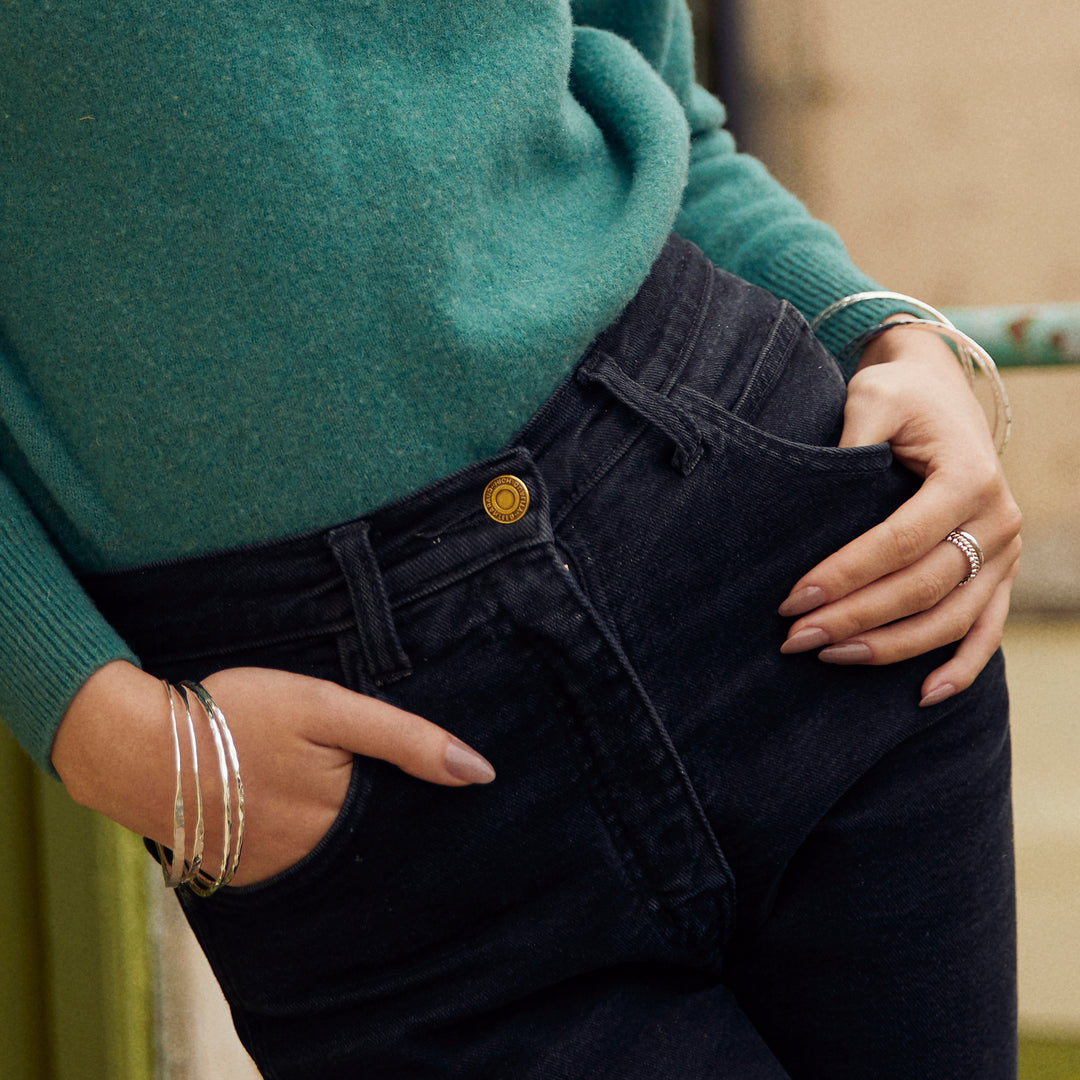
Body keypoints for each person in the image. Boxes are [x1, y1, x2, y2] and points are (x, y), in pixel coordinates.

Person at [1, 2, 1020, 1077]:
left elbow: (645, 90)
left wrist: (890, 333)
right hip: (373, 808)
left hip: (787, 574)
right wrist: (104, 728)